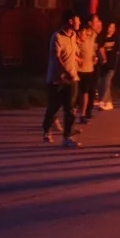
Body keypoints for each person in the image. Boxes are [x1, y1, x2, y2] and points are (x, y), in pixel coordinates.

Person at [42, 11, 81, 148]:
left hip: (72, 78)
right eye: (77, 19)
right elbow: (57, 58)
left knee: (70, 109)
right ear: (70, 21)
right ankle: (47, 129)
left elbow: (71, 53)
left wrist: (78, 59)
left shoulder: (74, 35)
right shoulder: (57, 37)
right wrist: (66, 71)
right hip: (57, 79)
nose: (79, 22)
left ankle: (67, 137)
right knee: (53, 107)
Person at [76, 14, 102, 123]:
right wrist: (78, 59)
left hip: (89, 69)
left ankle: (83, 114)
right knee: (76, 94)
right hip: (77, 70)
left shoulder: (92, 37)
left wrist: (94, 56)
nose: (98, 23)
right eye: (96, 21)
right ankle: (72, 113)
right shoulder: (78, 37)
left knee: (85, 92)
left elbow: (98, 29)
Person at [95, 21, 118, 111]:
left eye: (113, 27)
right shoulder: (102, 38)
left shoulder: (116, 39)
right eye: (109, 27)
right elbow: (100, 49)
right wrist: (103, 60)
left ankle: (103, 101)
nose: (111, 29)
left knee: (107, 81)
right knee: (102, 82)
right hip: (103, 64)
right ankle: (109, 102)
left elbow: (118, 51)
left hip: (112, 64)